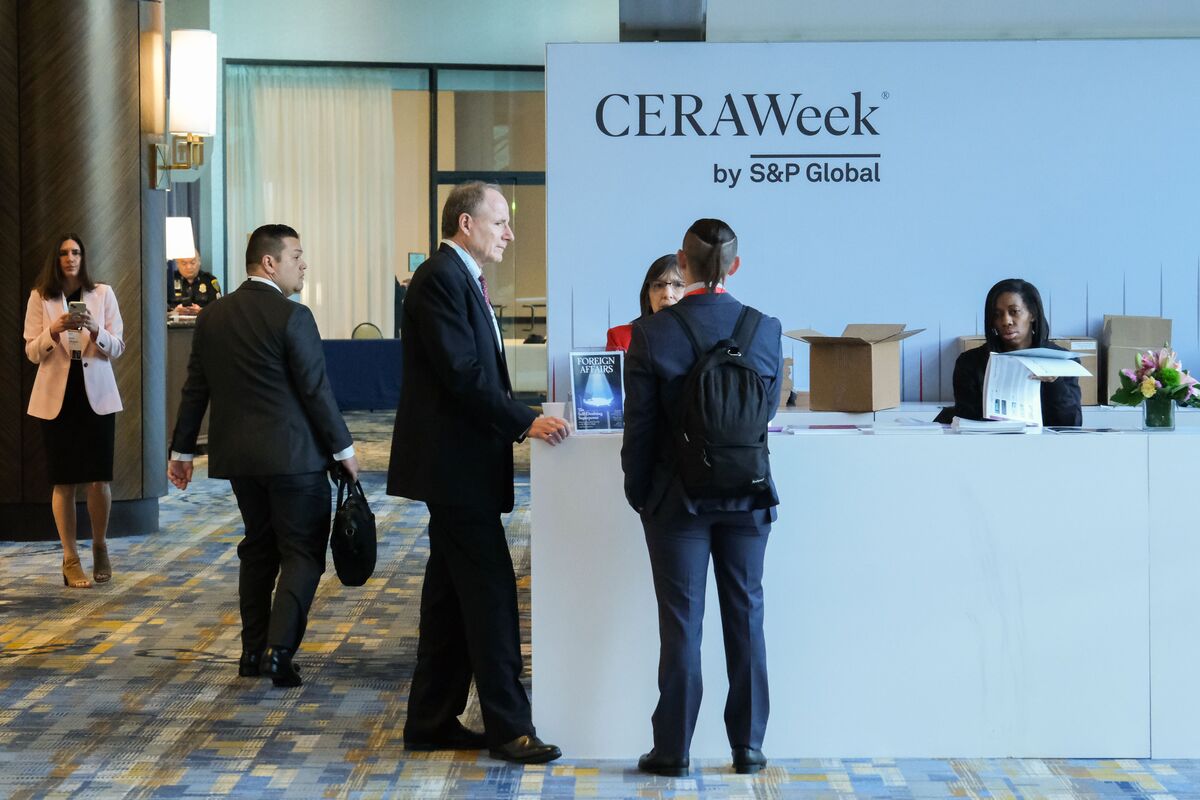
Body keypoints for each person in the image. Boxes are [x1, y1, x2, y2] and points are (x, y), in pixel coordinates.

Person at [387, 181, 570, 764]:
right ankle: (510, 730)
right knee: (491, 598)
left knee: (449, 598)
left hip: (460, 468)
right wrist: (524, 421)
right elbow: (463, 375)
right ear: (465, 224)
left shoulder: (460, 277)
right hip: (455, 469)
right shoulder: (441, 278)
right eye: (499, 222)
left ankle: (432, 721)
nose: (509, 234)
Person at [621, 218, 782, 778]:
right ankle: (749, 747)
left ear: (682, 266)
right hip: (749, 496)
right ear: (734, 267)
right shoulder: (765, 328)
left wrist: (639, 494)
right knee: (747, 617)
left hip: (677, 500)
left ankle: (673, 751)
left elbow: (638, 429)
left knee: (682, 625)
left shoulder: (652, 333)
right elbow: (764, 414)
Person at [167, 224, 358, 687]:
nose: (304, 264)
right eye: (297, 256)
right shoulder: (294, 316)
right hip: (296, 460)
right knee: (302, 555)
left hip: (240, 462)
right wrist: (345, 450)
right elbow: (316, 392)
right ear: (269, 263)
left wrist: (182, 451)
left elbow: (197, 389)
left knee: (258, 551)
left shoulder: (213, 316)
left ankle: (252, 652)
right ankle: (279, 651)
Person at [23, 234, 125, 589]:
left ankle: (99, 546)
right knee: (63, 480)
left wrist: (96, 330)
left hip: (95, 395)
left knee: (100, 478)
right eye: (64, 253)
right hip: (58, 398)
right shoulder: (41, 296)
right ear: (57, 258)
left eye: (76, 252)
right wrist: (53, 330)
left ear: (84, 257)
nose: (70, 258)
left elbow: (118, 347)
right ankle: (70, 558)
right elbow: (33, 352)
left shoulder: (103, 294)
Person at [936, 278, 1082, 426]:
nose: (1006, 321)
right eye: (997, 314)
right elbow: (967, 422)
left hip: (1047, 446)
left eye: (1014, 312)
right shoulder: (970, 362)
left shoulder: (1062, 361)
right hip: (988, 445)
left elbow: (1072, 424)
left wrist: (1054, 383)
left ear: (1033, 314)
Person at [606, 254, 685, 351]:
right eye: (659, 285)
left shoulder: (704, 338)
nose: (667, 294)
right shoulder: (620, 337)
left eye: (678, 285)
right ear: (647, 294)